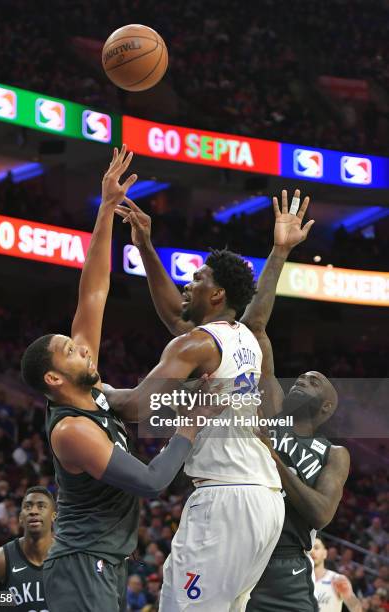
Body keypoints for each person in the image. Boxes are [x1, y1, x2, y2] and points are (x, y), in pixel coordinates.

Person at [20, 146, 212, 612]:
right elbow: (149, 482)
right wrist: (189, 424)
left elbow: (95, 290)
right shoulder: (72, 430)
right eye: (70, 350)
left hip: (102, 562)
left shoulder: (88, 388)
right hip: (83, 565)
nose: (82, 347)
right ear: (54, 377)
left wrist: (105, 208)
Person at [109, 195, 315, 610]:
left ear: (217, 293)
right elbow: (177, 317)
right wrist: (145, 246)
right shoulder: (246, 338)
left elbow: (134, 408)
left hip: (225, 501)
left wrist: (97, 389)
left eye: (197, 278)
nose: (189, 283)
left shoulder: (198, 343)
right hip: (265, 502)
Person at [207, 191, 350, 612]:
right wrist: (280, 250)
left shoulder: (334, 454)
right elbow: (254, 324)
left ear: (326, 408)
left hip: (284, 563)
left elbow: (322, 513)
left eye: (316, 381)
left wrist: (274, 458)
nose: (303, 378)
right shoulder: (269, 409)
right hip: (235, 546)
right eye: (302, 376)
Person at [0, 486, 56, 612]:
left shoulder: (69, 558)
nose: (33, 511)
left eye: (41, 506)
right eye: (28, 506)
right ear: (20, 518)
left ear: (53, 516)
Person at [312, 537, 362, 611]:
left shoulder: (337, 579)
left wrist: (350, 597)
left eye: (316, 548)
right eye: (308, 549)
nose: (312, 551)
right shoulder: (296, 580)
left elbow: (356, 609)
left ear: (325, 553)